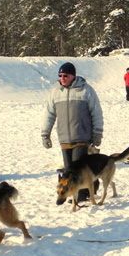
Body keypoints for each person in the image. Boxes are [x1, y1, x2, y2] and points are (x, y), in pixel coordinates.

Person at [41, 62, 104, 201]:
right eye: (60, 75)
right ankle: (86, 187)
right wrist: (45, 134)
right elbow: (49, 114)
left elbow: (96, 112)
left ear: (73, 76)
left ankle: (83, 194)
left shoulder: (85, 90)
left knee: (79, 170)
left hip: (82, 137)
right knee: (68, 171)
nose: (62, 78)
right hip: (64, 139)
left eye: (65, 75)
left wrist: (97, 133)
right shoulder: (55, 92)